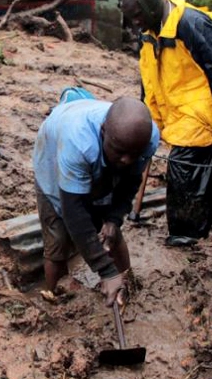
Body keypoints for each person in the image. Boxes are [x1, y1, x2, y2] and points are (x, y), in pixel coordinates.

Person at [117, 0, 212, 247]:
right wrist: (149, 117)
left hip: (204, 109)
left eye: (137, 15)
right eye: (130, 18)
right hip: (178, 110)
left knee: (183, 168)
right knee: (197, 176)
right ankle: (195, 229)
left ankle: (186, 236)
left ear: (151, 4)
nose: (135, 23)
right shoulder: (149, 30)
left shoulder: (191, 24)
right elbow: (148, 77)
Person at [32, 96, 159, 305]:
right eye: (119, 151)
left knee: (110, 233)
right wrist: (106, 271)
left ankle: (125, 284)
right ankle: (56, 299)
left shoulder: (146, 139)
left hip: (97, 153)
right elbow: (74, 213)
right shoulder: (78, 144)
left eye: (133, 154)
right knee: (58, 238)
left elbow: (130, 182)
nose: (126, 160)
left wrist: (113, 219)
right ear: (103, 132)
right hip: (54, 155)